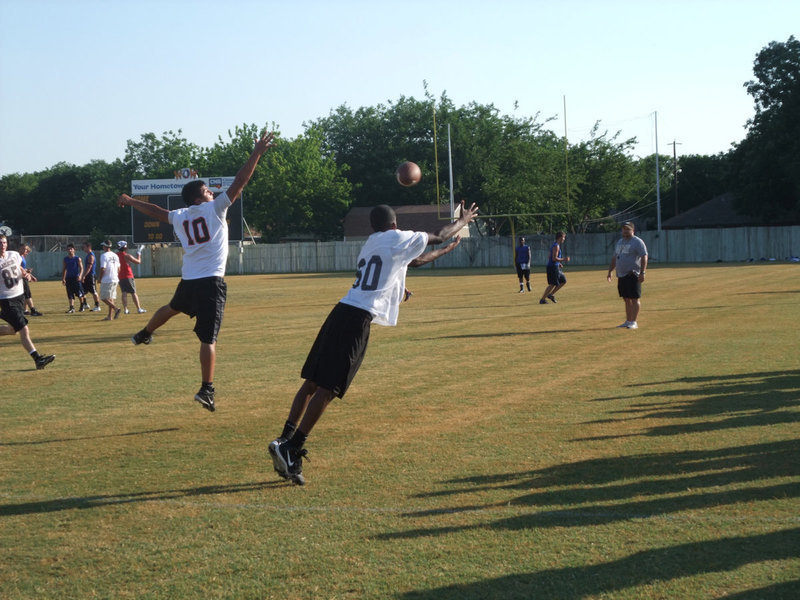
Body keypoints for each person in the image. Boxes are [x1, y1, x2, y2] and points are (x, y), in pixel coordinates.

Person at [268, 200, 479, 485]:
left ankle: (284, 438)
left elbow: (413, 261)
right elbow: (440, 233)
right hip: (357, 319)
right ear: (394, 224)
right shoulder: (399, 237)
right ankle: (292, 447)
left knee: (313, 382)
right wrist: (463, 221)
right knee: (329, 388)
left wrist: (443, 252)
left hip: (341, 310)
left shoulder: (372, 243)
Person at [119, 130, 276, 411]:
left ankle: (144, 332)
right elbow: (241, 181)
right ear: (198, 197)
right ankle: (207, 389)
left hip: (189, 279)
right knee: (208, 338)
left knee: (173, 307)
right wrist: (257, 153)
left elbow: (155, 211)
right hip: (210, 282)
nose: (212, 192)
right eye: (207, 190)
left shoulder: (179, 216)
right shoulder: (215, 209)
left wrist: (130, 201)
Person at [0, 234, 55, 369]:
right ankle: (37, 359)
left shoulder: (13, 254)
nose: (3, 246)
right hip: (7, 300)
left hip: (19, 296)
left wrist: (26, 274)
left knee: (13, 330)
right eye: (0, 243)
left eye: (4, 243)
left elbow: (18, 267)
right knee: (24, 329)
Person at [607, 221, 648, 329]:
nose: (625, 231)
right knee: (626, 298)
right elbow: (615, 257)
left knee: (634, 298)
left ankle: (634, 322)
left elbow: (644, 256)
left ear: (632, 230)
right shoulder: (620, 242)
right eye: (624, 229)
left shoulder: (637, 242)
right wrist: (610, 271)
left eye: (628, 229)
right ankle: (628, 320)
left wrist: (643, 272)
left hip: (633, 274)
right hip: (621, 275)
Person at [540, 231, 570, 304]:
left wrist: (559, 263)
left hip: (556, 266)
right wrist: (564, 259)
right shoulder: (556, 246)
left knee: (563, 280)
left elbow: (549, 256)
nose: (564, 239)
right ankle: (542, 299)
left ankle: (551, 294)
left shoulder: (555, 245)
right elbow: (554, 258)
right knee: (552, 284)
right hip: (552, 267)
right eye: (563, 237)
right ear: (560, 237)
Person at [117, 241, 146, 314]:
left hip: (120, 276)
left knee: (124, 293)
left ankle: (126, 309)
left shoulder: (116, 255)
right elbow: (138, 262)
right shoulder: (127, 256)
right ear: (125, 247)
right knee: (133, 293)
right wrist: (139, 254)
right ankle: (139, 309)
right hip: (128, 276)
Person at [97, 240, 121, 321]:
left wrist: (100, 278)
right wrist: (115, 275)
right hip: (115, 278)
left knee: (103, 297)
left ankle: (116, 309)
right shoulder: (115, 255)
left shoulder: (104, 256)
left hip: (107, 279)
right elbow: (119, 268)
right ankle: (109, 316)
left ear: (105, 247)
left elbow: (103, 268)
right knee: (110, 298)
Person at [18, 244, 43, 316]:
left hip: (24, 277)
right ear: (19, 248)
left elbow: (23, 269)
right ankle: (33, 310)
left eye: (26, 249)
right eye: (23, 249)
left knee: (25, 294)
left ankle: (24, 310)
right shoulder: (18, 257)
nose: (25, 250)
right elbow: (17, 267)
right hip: (21, 278)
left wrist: (31, 275)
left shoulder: (23, 256)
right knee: (27, 294)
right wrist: (26, 272)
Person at [61, 243, 86, 313]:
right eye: (68, 249)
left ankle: (82, 305)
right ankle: (71, 308)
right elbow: (64, 269)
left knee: (79, 293)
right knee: (70, 293)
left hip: (76, 278)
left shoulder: (77, 258)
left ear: (74, 250)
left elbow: (81, 268)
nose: (69, 250)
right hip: (69, 278)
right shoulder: (65, 259)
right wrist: (63, 278)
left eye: (71, 249)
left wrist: (80, 276)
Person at [81, 241, 102, 312]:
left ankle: (97, 306)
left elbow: (89, 267)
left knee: (93, 291)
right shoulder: (87, 255)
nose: (83, 248)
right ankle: (85, 304)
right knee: (82, 291)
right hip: (87, 275)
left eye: (84, 247)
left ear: (88, 247)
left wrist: (84, 275)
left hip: (90, 276)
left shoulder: (91, 256)